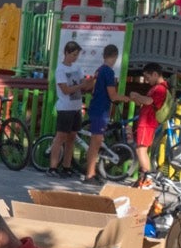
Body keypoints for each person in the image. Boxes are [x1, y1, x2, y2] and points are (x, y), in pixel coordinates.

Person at [82, 44, 124, 183]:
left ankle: (94, 171)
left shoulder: (99, 70)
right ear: (115, 57)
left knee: (98, 142)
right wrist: (128, 98)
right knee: (95, 143)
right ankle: (89, 174)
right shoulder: (108, 72)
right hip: (101, 109)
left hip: (97, 108)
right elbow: (112, 95)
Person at [48, 40, 89, 177]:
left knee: (72, 138)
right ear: (66, 53)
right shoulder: (60, 69)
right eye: (73, 54)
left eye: (77, 55)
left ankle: (67, 166)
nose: (75, 57)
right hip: (65, 108)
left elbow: (84, 84)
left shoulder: (77, 68)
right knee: (60, 137)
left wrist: (87, 83)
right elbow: (65, 90)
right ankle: (53, 167)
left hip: (76, 107)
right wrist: (80, 86)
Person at [131, 63, 169, 179]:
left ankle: (146, 178)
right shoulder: (158, 88)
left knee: (141, 150)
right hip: (147, 121)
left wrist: (137, 95)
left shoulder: (160, 89)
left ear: (155, 74)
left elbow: (149, 101)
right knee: (142, 150)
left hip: (147, 122)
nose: (147, 81)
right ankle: (144, 177)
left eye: (148, 77)